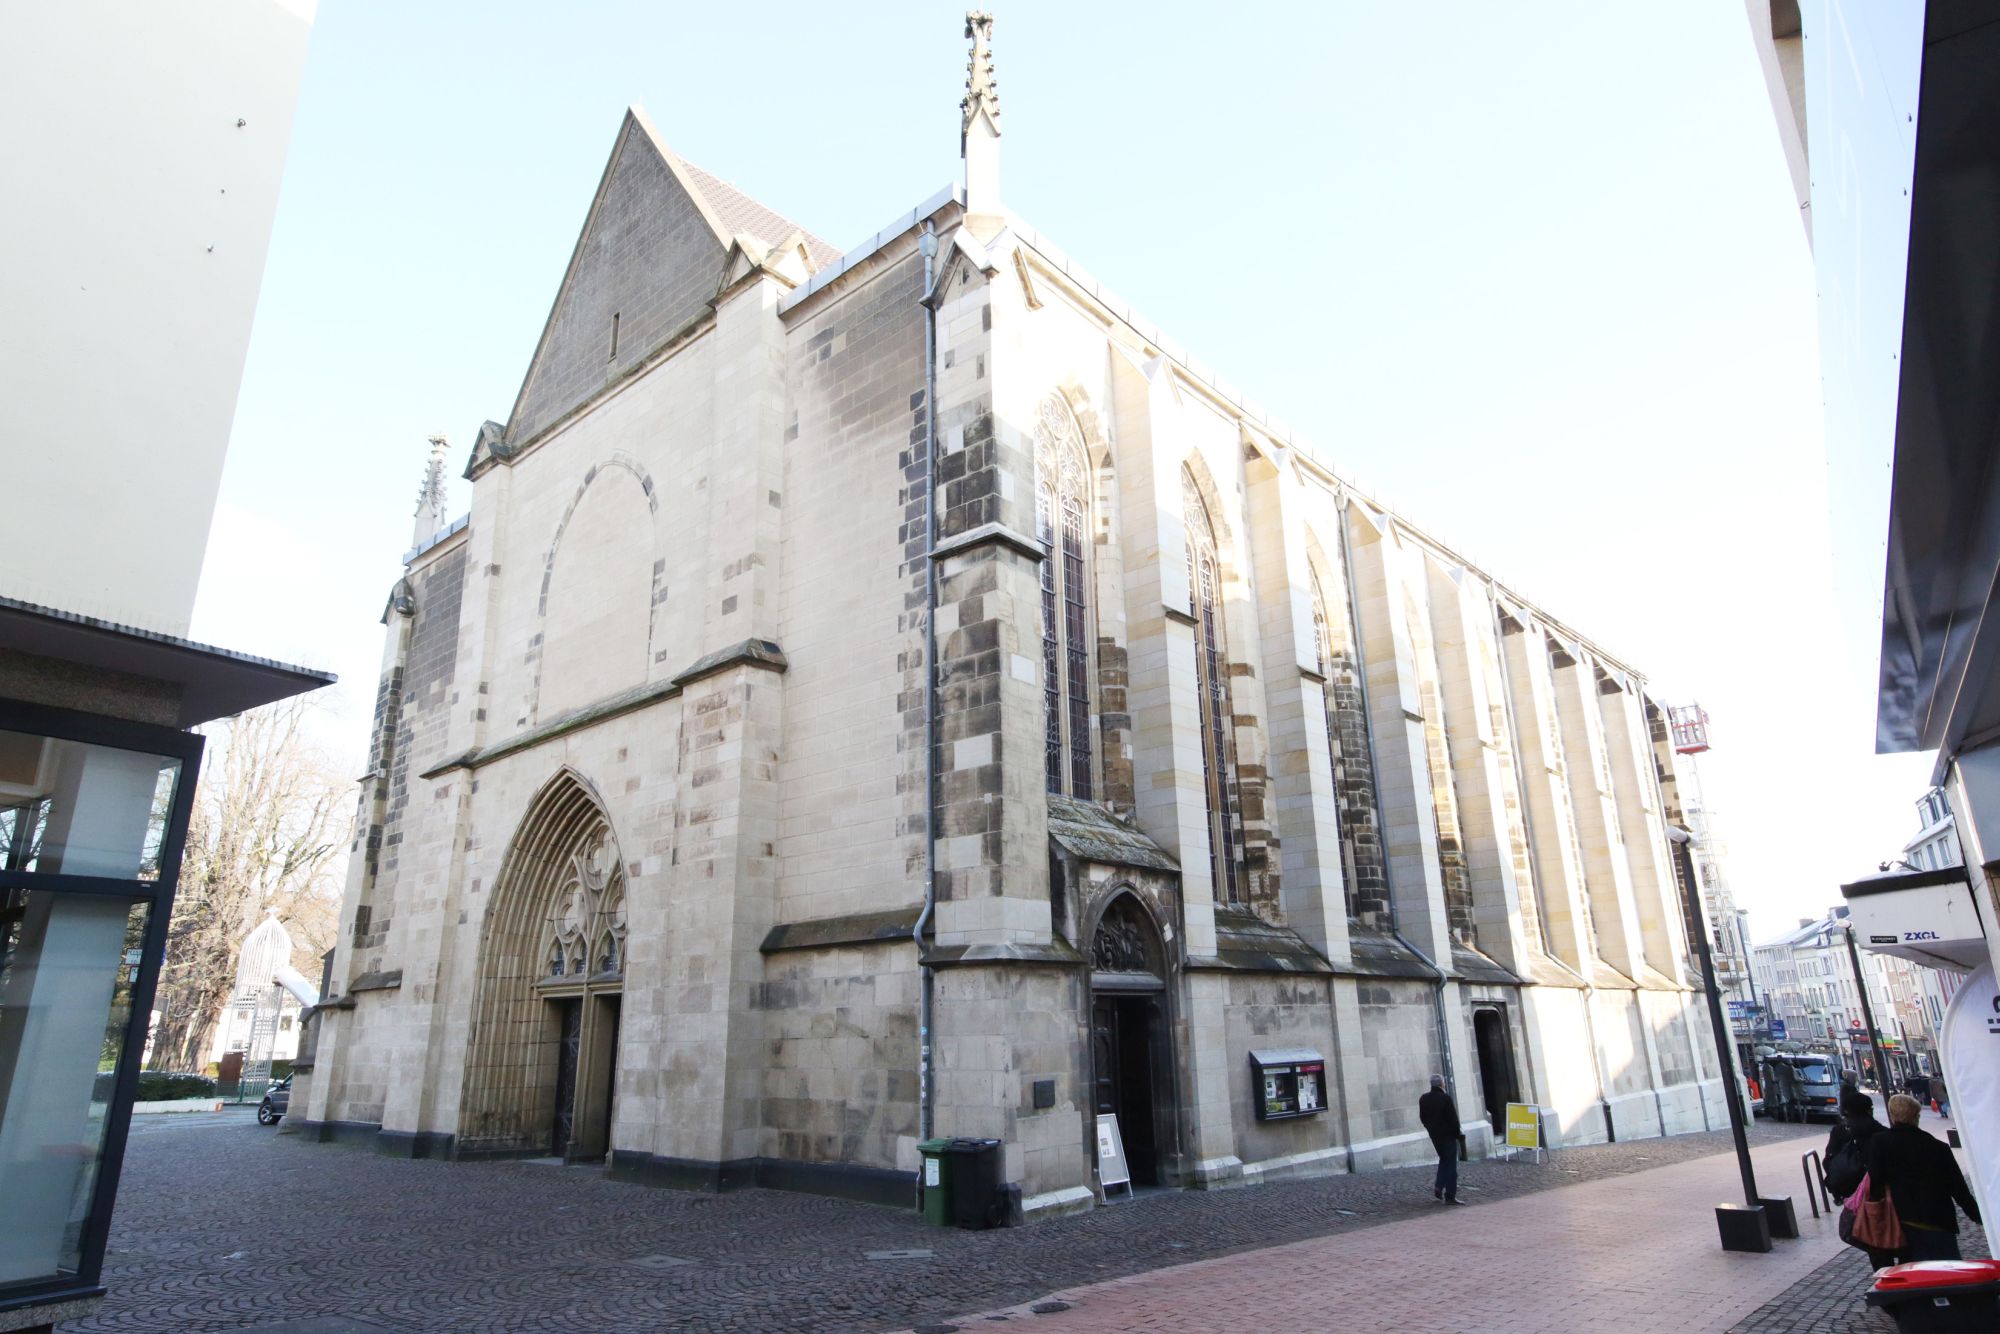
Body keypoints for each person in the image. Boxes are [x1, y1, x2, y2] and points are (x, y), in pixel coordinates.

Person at [1866, 1092, 1981, 1262]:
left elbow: (1876, 1181)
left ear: (1893, 1116)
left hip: (1903, 1220)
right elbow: (1958, 1188)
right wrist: (1976, 1215)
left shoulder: (1879, 1142)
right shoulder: (1938, 1147)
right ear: (1916, 1117)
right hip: (1939, 1220)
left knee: (1914, 1275)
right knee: (1948, 1272)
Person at [1824, 1089, 1890, 1267]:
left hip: (1854, 1196)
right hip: (1883, 1194)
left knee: (1874, 1246)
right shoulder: (1880, 1132)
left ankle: (1883, 1277)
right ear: (1869, 1110)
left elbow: (1829, 1161)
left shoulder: (1839, 1131)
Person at [1418, 1075, 1465, 1205]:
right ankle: (1450, 1195)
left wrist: (1430, 1129)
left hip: (1435, 1135)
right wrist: (1458, 1134)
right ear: (1441, 1084)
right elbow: (1453, 1120)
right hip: (1448, 1135)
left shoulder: (1424, 1099)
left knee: (1444, 1160)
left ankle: (1439, 1186)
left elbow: (1423, 1118)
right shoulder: (1445, 1099)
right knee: (1450, 1165)